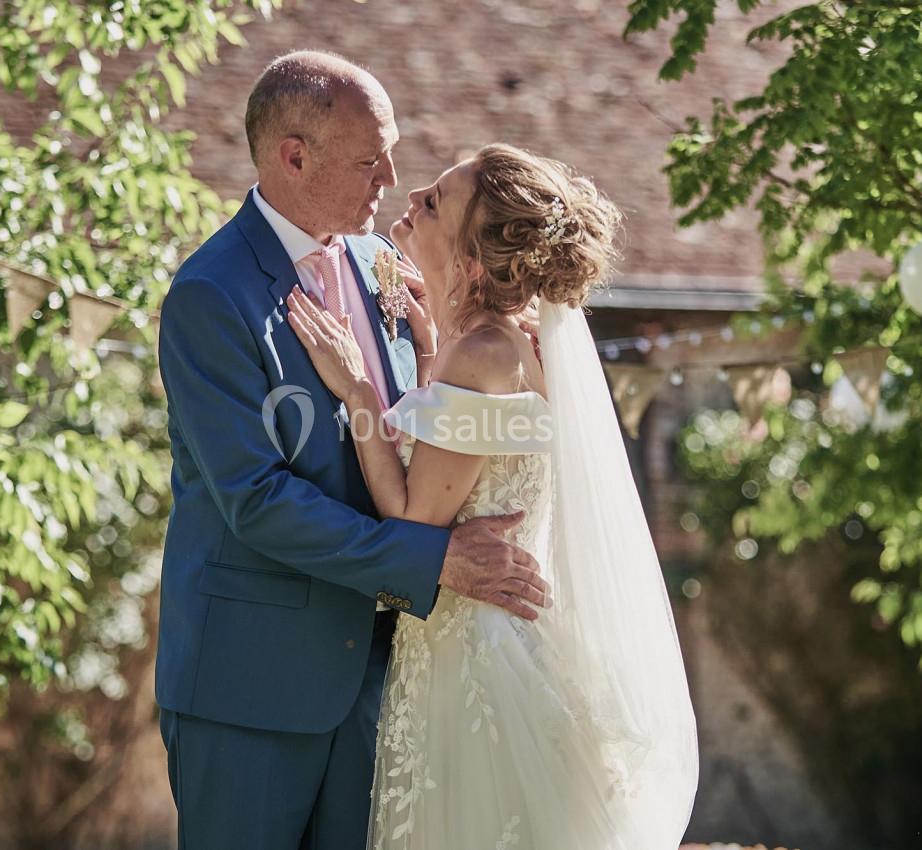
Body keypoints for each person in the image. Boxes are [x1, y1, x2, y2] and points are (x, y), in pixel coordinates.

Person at [154, 53, 550, 850]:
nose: (393, 177)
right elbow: (256, 499)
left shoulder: (386, 265)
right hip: (250, 688)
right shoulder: (210, 295)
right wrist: (429, 558)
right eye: (372, 159)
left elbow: (420, 433)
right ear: (294, 156)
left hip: (389, 679)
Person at [288, 143, 699, 849]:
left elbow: (415, 519)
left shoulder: (480, 353)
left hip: (475, 662)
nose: (412, 198)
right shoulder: (504, 346)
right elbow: (459, 455)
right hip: (489, 641)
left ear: (474, 259)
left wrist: (357, 387)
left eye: (436, 201)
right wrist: (424, 348)